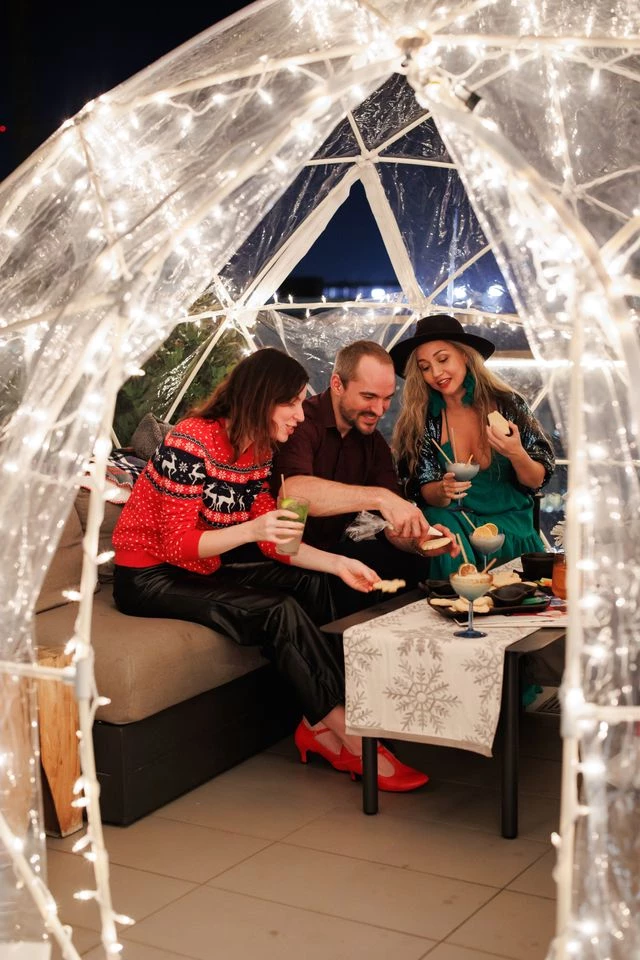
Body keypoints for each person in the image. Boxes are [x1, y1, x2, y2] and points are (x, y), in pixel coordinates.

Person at [112, 347, 427, 792]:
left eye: (302, 403)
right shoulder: (190, 440)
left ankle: (322, 723)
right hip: (149, 576)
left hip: (203, 565)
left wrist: (340, 564)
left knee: (315, 583)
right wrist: (252, 527)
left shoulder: (258, 452)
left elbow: (276, 542)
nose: (301, 414)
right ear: (261, 399)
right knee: (278, 609)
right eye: (293, 402)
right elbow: (179, 545)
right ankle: (352, 738)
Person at [272, 340, 458, 616]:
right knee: (354, 567)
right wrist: (380, 498)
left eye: (387, 398)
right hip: (288, 553)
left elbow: (386, 523)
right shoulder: (301, 422)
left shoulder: (373, 444)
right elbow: (292, 493)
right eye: (369, 397)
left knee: (411, 562)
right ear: (337, 384)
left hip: (341, 549)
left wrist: (419, 541)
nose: (380, 410)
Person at [390, 314, 555, 578]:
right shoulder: (422, 419)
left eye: (443, 359)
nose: (436, 373)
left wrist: (515, 452)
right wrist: (443, 490)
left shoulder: (508, 405)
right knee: (439, 517)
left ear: (465, 356)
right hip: (458, 529)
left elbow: (536, 480)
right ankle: (460, 602)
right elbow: (423, 490)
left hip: (509, 528)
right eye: (425, 367)